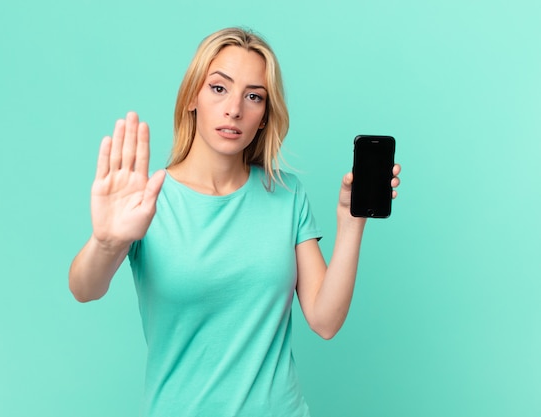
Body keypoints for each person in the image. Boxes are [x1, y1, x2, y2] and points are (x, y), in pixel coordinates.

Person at [69, 27, 401, 417]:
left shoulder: (285, 193)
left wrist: (350, 222)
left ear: (264, 116)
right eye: (219, 88)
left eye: (253, 96)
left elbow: (325, 321)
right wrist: (106, 241)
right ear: (193, 96)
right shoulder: (146, 199)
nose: (234, 110)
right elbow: (85, 289)